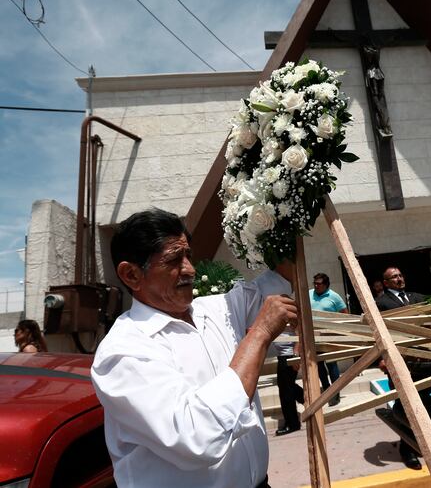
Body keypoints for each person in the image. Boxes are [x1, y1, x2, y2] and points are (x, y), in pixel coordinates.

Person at [91, 209, 297, 488]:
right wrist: (259, 334)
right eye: (174, 259)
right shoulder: (122, 352)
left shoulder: (216, 309)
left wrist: (283, 199)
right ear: (131, 275)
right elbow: (198, 436)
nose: (190, 268)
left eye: (188, 255)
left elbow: (283, 277)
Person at [374, 266, 425, 470]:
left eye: (400, 275)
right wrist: (381, 358)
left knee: (423, 403)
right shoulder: (381, 303)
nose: (399, 279)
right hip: (397, 360)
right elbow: (373, 332)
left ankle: (423, 442)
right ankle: (407, 448)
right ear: (385, 283)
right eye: (394, 277)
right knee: (405, 406)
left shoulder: (416, 297)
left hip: (423, 359)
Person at [309, 273, 347, 407]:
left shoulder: (334, 296)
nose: (316, 286)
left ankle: (335, 393)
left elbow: (344, 314)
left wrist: (340, 332)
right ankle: (326, 389)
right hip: (313, 337)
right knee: (319, 365)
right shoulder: (309, 294)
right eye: (315, 283)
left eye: (319, 284)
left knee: (332, 364)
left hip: (329, 336)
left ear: (326, 285)